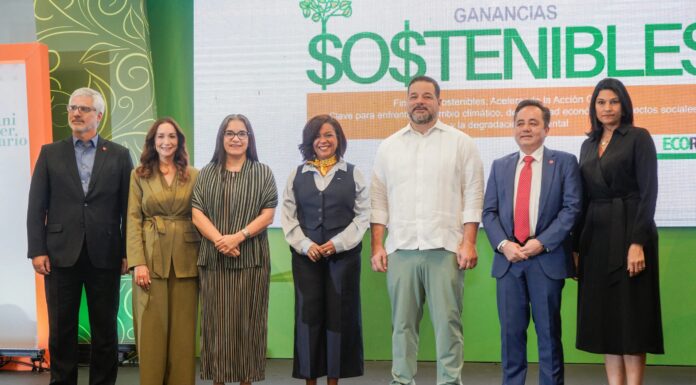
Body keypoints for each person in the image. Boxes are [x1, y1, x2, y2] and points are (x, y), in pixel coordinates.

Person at [370, 75, 484, 385]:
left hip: (444, 247)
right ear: (406, 101)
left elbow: (473, 194)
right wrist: (377, 246)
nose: (420, 101)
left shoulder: (461, 142)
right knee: (402, 325)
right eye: (413, 96)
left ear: (439, 102)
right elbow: (378, 199)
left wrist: (469, 242)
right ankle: (402, 380)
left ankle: (449, 381)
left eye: (427, 96)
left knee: (448, 323)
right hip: (401, 249)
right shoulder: (389, 147)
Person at [26, 87, 133, 385]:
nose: (75, 113)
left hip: (106, 254)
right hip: (60, 254)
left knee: (105, 331)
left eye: (84, 109)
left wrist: (128, 252)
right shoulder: (50, 153)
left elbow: (129, 210)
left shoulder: (120, 155)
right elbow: (37, 205)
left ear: (98, 115)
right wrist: (37, 249)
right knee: (61, 330)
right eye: (72, 107)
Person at [482, 100, 582, 385]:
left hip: (546, 260)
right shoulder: (500, 166)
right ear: (513, 128)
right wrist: (504, 244)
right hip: (509, 262)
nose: (525, 128)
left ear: (546, 129)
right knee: (511, 334)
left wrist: (542, 242)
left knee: (549, 334)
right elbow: (488, 212)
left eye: (533, 123)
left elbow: (571, 208)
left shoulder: (563, 162)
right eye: (520, 123)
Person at [575, 78, 663, 385]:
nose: (607, 108)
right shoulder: (587, 144)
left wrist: (637, 242)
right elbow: (582, 198)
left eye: (613, 101)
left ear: (624, 105)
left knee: (632, 317)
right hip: (595, 237)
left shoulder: (639, 137)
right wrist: (575, 247)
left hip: (630, 231)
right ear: (594, 107)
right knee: (606, 319)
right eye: (601, 102)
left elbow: (649, 192)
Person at [281, 115, 369, 385]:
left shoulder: (353, 172)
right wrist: (306, 245)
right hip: (306, 260)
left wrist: (337, 243)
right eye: (317, 136)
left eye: (329, 135)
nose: (323, 140)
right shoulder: (297, 174)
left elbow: (363, 215)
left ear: (338, 139)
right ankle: (310, 380)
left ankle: (334, 381)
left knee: (339, 320)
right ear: (310, 142)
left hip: (343, 259)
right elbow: (288, 217)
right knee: (309, 321)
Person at [192, 114, 278, 385]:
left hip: (251, 261)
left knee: (248, 327)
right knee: (217, 328)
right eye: (230, 133)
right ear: (221, 138)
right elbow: (197, 212)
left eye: (242, 134)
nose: (236, 139)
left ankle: (246, 380)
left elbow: (268, 214)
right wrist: (221, 240)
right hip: (214, 262)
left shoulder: (263, 172)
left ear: (249, 139)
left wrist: (238, 237)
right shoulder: (206, 172)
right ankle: (218, 380)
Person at [126, 117, 200, 385]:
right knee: (152, 331)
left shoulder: (194, 174)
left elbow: (202, 216)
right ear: (152, 142)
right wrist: (138, 263)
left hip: (186, 259)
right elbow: (133, 219)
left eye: (171, 137)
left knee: (183, 332)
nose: (166, 142)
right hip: (150, 259)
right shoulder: (139, 174)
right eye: (160, 137)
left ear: (179, 141)